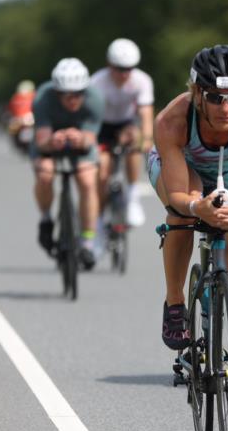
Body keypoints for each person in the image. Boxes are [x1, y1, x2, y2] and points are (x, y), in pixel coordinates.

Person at [147, 45, 228, 427]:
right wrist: (195, 206)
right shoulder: (172, 119)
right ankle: (175, 302)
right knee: (181, 215)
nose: (226, 107)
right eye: (216, 97)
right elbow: (178, 195)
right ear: (197, 93)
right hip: (180, 169)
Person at [30, 58, 105, 269]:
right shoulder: (42, 98)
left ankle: (88, 242)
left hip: (80, 145)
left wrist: (80, 138)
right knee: (45, 173)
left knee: (87, 180)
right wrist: (52, 141)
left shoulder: (95, 98)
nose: (73, 99)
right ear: (57, 92)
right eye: (66, 95)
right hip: (49, 142)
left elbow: (90, 139)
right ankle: (46, 219)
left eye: (78, 94)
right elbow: (42, 141)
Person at [89, 39, 153, 231]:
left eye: (129, 69)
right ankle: (99, 220)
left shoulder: (142, 80)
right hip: (102, 126)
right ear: (110, 65)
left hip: (126, 124)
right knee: (102, 172)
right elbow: (90, 117)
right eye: (119, 69)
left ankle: (133, 196)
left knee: (135, 141)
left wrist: (146, 139)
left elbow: (145, 112)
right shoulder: (96, 82)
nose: (124, 74)